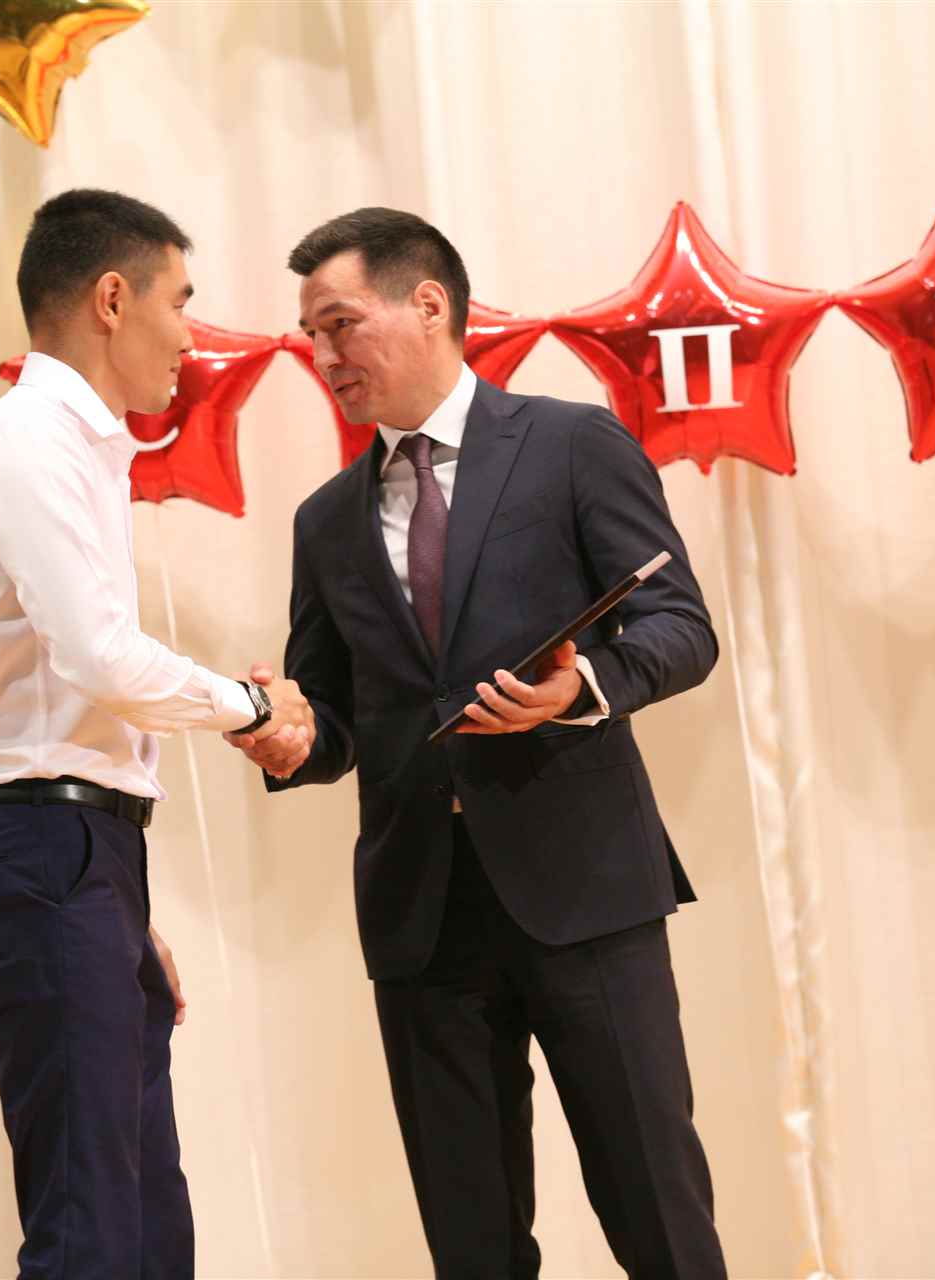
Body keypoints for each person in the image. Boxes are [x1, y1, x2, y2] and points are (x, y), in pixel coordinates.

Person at [231, 208, 727, 1279]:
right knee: (473, 1246)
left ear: (429, 304)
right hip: (421, 917)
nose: (323, 355)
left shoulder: (570, 444)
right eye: (310, 334)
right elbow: (337, 718)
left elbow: (682, 628)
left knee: (658, 1212)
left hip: (586, 892)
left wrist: (580, 688)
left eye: (340, 323)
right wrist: (291, 738)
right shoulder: (324, 520)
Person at [0, 188, 311, 1279]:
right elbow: (97, 655)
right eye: (179, 301)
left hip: (78, 849)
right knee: (89, 1227)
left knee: (146, 1225)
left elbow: (85, 690)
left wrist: (118, 904)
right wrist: (252, 707)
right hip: (39, 844)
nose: (191, 335)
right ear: (111, 299)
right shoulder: (27, 440)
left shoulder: (78, 447)